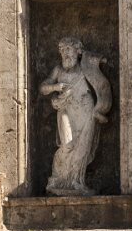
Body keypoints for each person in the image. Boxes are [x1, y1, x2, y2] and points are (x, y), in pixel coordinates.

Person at [40, 37, 112, 196]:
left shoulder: (86, 69)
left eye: (69, 49)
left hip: (86, 111)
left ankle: (76, 182)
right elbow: (43, 88)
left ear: (77, 51)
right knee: (68, 144)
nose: (65, 54)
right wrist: (55, 87)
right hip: (66, 109)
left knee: (82, 148)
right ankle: (57, 179)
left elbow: (101, 86)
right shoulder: (58, 70)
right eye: (63, 50)